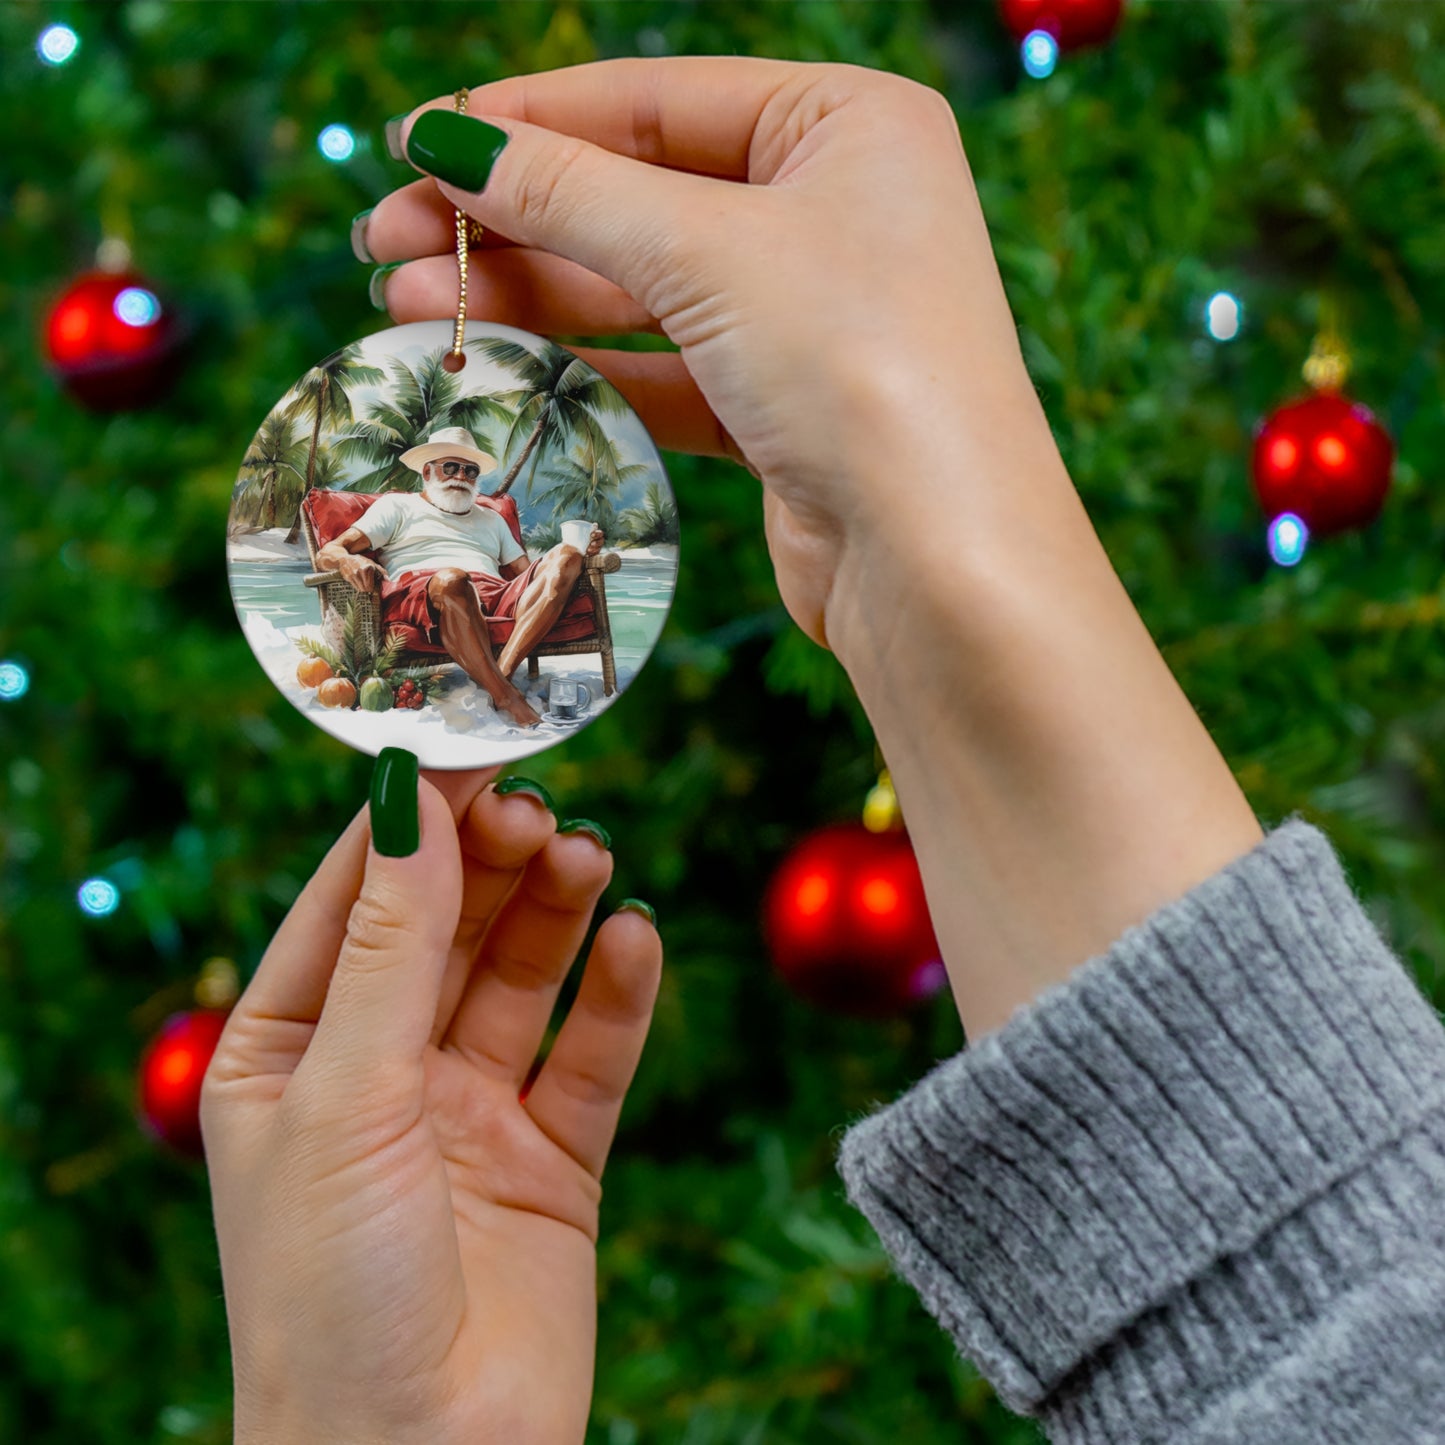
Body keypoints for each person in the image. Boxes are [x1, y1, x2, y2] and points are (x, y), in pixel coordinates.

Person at [200, 56, 1445, 1445]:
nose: (444, 476)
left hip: (491, 611)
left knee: (549, 558)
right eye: (432, 469)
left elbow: (1344, 1339)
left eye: (450, 470)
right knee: (451, 599)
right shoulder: (394, 513)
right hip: (426, 615)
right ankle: (472, 678)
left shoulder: (492, 511)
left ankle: (479, 679)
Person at [314, 424, 606, 728]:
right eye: (450, 467)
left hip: (494, 593)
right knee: (453, 579)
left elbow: (529, 575)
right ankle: (508, 698)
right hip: (428, 591)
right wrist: (347, 562)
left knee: (567, 554)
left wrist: (582, 552)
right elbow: (328, 553)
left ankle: (501, 676)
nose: (460, 477)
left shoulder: (491, 519)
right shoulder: (397, 506)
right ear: (427, 472)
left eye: (470, 471)